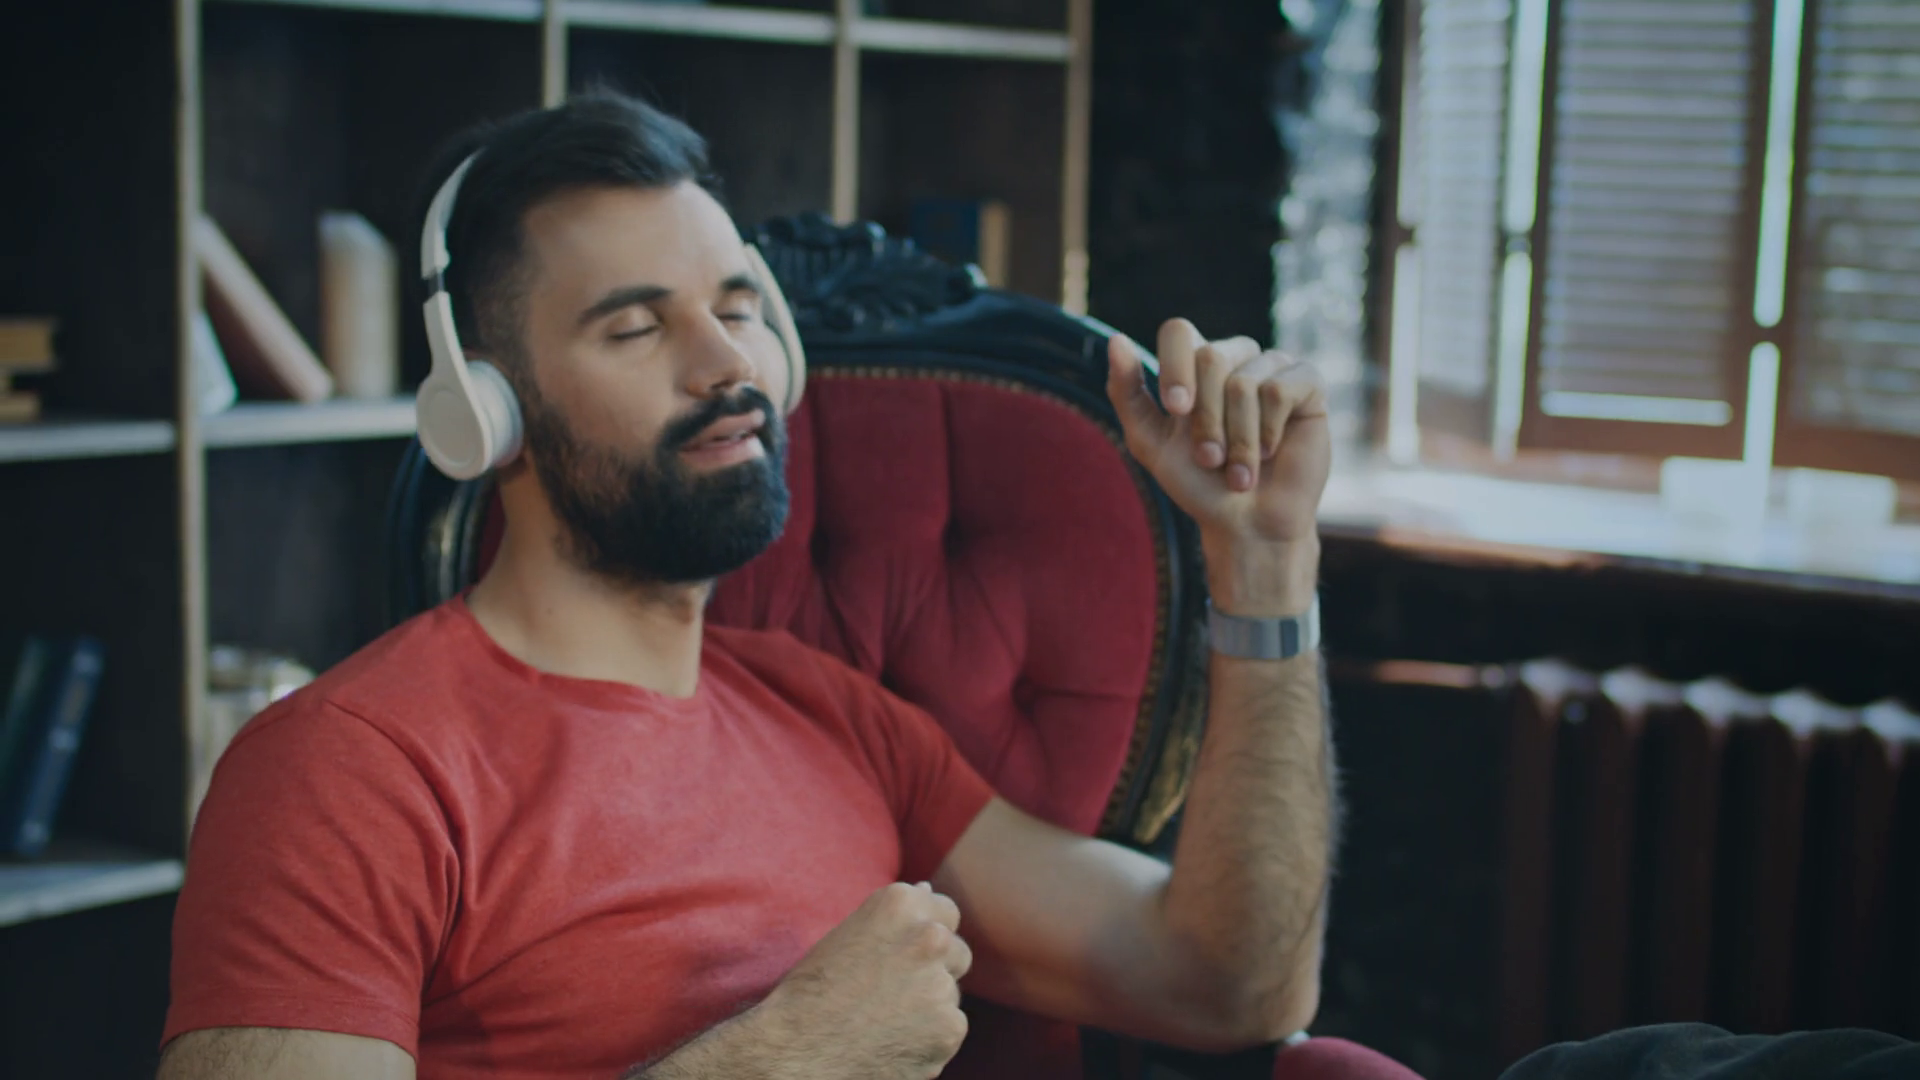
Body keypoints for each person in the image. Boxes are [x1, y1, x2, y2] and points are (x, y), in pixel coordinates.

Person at [157, 91, 1337, 1080]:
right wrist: (781, 1061)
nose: (727, 364)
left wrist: (1263, 560)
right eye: (634, 328)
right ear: (484, 412)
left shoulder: (832, 715)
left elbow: (1228, 984)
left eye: (735, 308)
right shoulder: (343, 771)